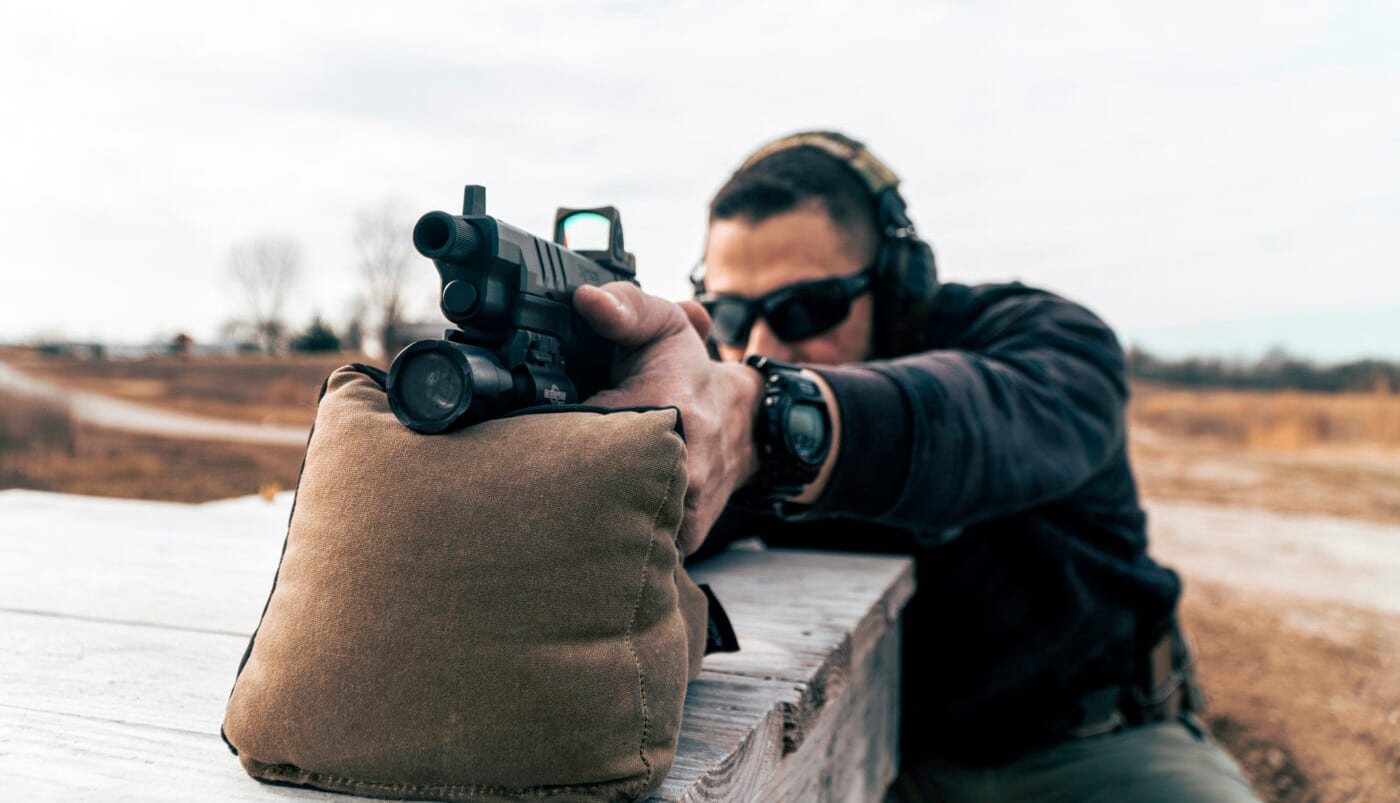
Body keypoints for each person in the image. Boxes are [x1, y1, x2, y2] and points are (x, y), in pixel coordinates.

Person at [572, 131, 1260, 801]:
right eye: (731, 311)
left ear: (897, 287)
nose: (761, 345)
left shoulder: (1046, 342)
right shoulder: (732, 412)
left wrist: (770, 420)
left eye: (808, 307)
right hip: (894, 755)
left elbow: (973, 423)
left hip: (1098, 746)